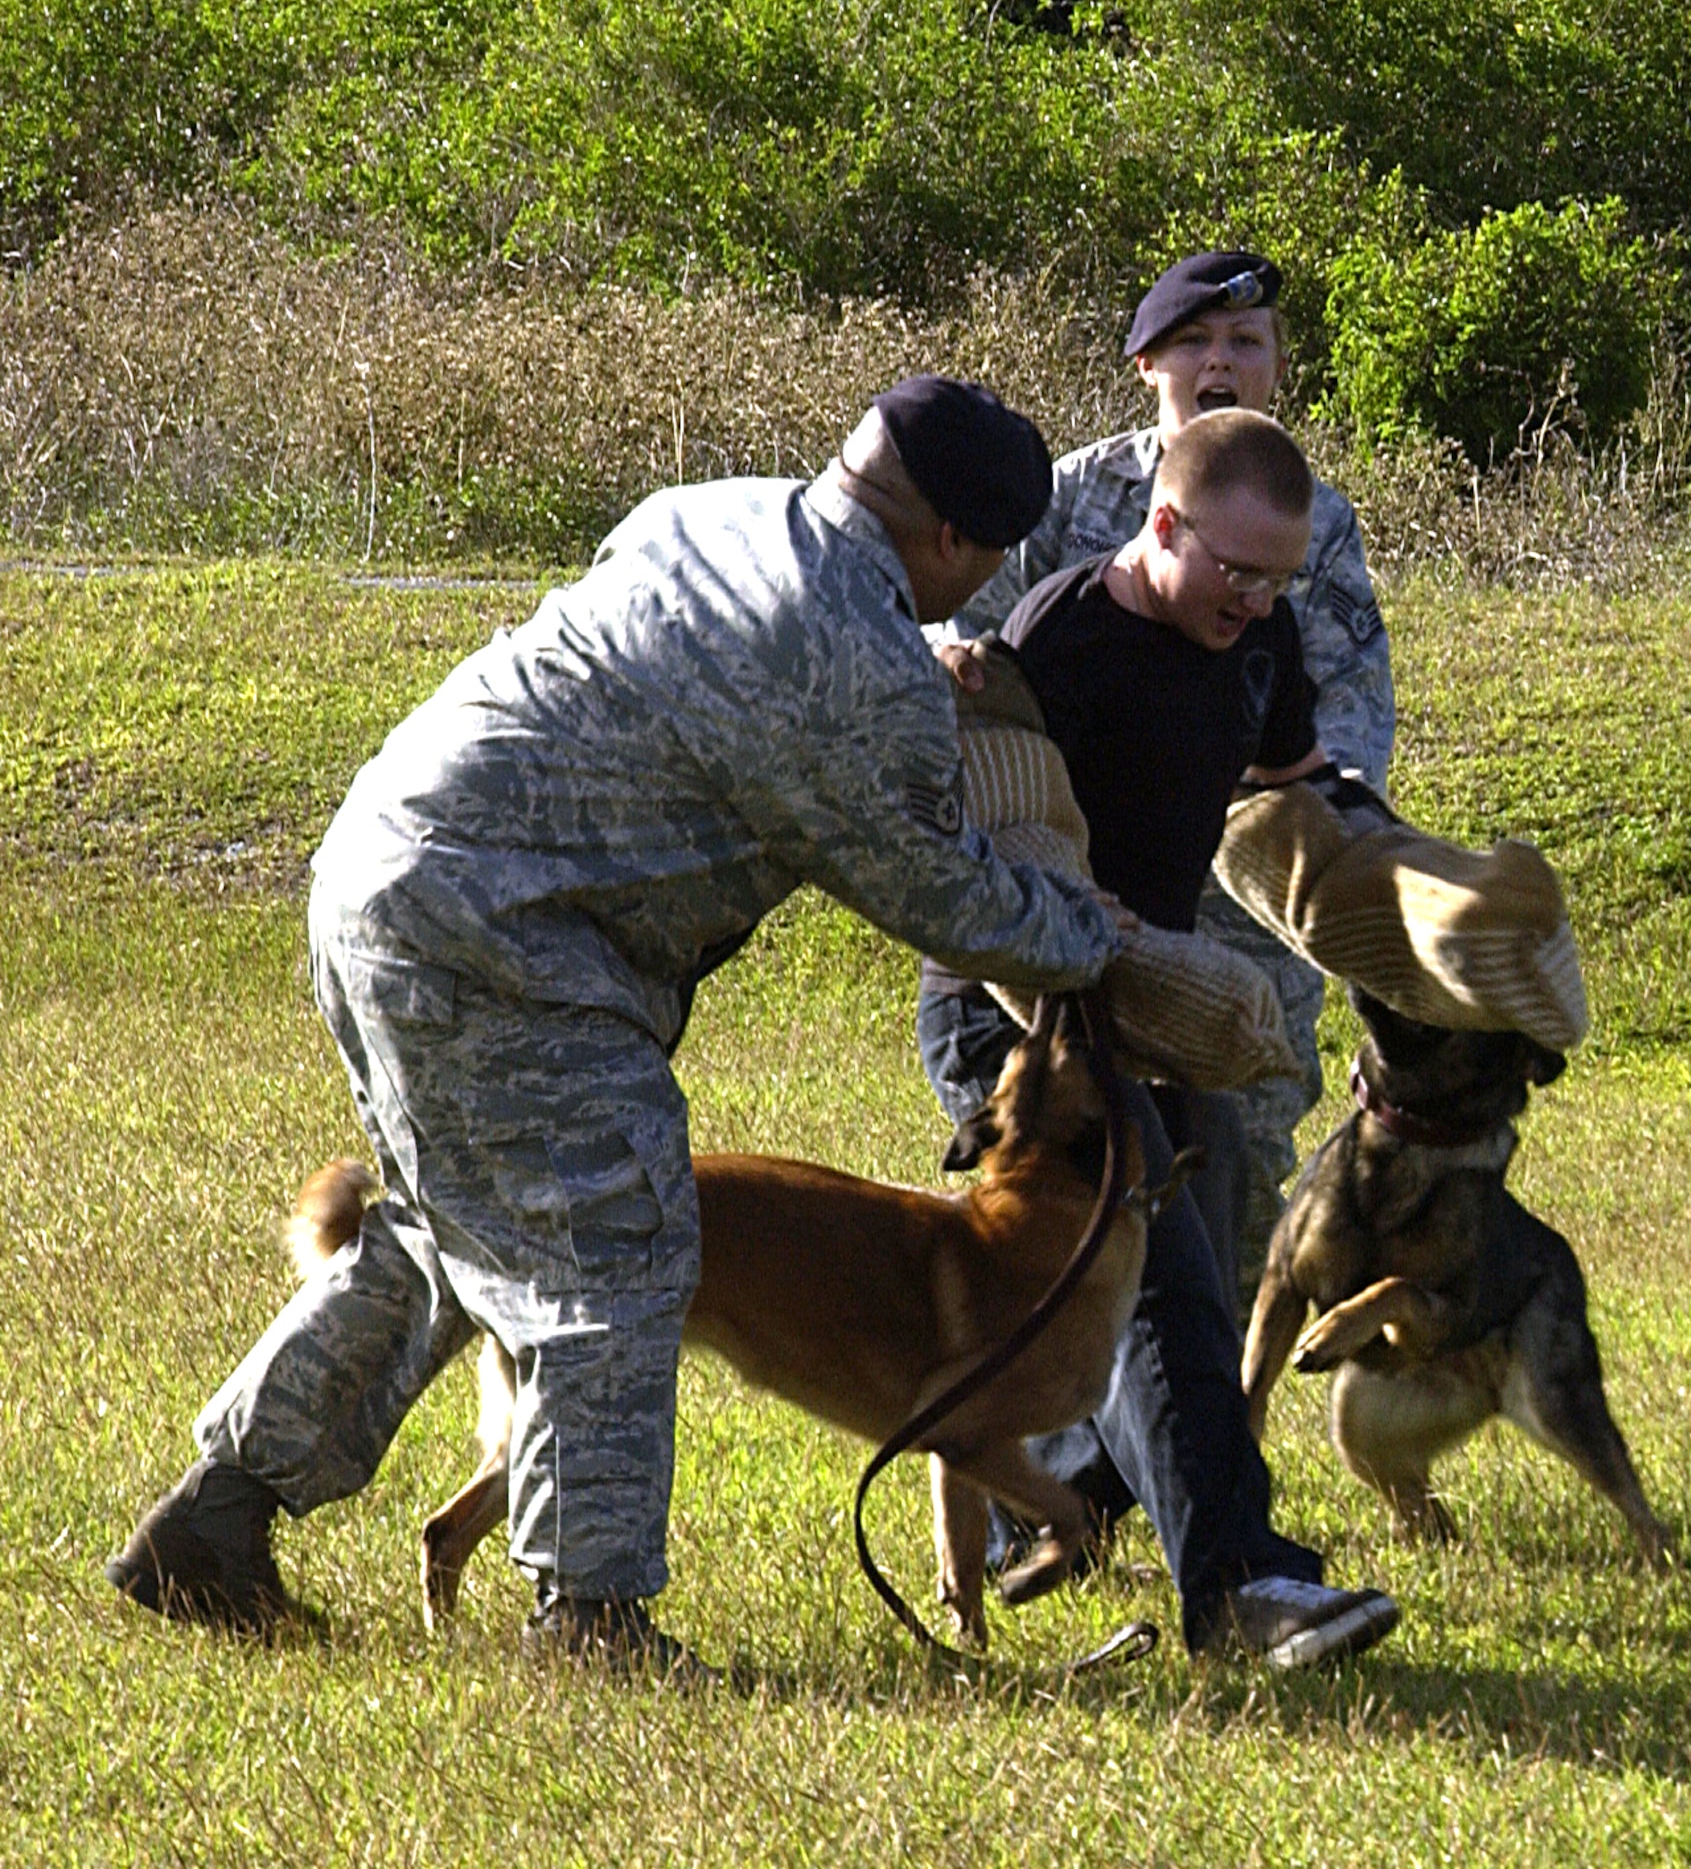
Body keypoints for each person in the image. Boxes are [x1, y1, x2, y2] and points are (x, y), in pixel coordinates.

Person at [105, 378, 1123, 1676]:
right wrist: (1103, 936)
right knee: (620, 1255)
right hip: (518, 942)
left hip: (381, 870)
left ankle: (213, 1526)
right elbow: (950, 901)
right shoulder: (863, 660)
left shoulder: (713, 513)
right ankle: (588, 1620)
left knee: (442, 1233)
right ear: (954, 546)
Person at [919, 407, 1400, 1668]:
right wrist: (1081, 920)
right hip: (1017, 1008)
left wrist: (1412, 883)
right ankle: (1240, 1588)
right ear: (1161, 522)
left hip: (1145, 1009)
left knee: (1187, 1245)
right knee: (1161, 1281)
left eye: (1276, 577)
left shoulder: (1259, 633)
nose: (1252, 600)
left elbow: (1295, 785)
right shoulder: (1066, 632)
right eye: (1231, 570)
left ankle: (1068, 1498)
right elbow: (995, 836)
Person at [946, 250, 1394, 1291]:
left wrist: (1356, 857)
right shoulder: (1066, 494)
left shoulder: (1312, 525)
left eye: (1245, 342)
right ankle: (1066, 1410)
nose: (1220, 361)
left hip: (1233, 903)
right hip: (1070, 887)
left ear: (1277, 369)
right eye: (1194, 341)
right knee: (1052, 1173)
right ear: (1148, 362)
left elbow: (1341, 717)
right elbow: (961, 644)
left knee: (1231, 1175)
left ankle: (1207, 1423)